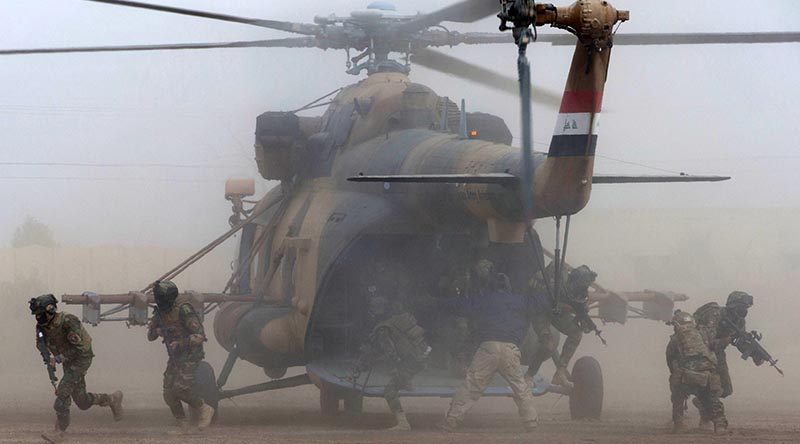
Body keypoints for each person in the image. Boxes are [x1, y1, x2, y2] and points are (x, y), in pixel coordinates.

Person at [437, 259, 537, 432]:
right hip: (511, 349)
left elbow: (459, 306)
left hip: (488, 348)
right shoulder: (521, 300)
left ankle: (451, 421)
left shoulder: (484, 299)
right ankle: (531, 422)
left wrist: (436, 303)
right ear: (508, 286)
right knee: (520, 386)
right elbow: (542, 303)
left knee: (472, 385)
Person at [29, 294, 123, 443]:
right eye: (37, 315)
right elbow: (40, 342)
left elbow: (79, 349)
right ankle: (112, 399)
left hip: (81, 358)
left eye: (40, 314)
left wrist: (58, 359)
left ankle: (59, 431)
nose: (38, 318)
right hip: (68, 359)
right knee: (82, 401)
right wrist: (47, 357)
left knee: (62, 394)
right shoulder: (42, 326)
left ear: (50, 310)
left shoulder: (68, 321)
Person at [147, 280, 214, 434]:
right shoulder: (160, 312)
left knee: (181, 389)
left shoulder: (184, 310)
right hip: (175, 356)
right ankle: (183, 425)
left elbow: (200, 336)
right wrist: (157, 331)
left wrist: (181, 343)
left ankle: (204, 408)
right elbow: (150, 336)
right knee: (168, 393)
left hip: (191, 354)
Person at [357, 295, 429, 430]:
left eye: (373, 308)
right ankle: (406, 381)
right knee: (402, 376)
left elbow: (390, 353)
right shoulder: (400, 319)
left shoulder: (383, 328)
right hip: (421, 358)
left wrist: (370, 362)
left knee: (389, 391)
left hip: (410, 363)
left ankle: (403, 423)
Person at [693, 291, 758, 428]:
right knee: (713, 388)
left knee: (726, 389)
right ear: (732, 306)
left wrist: (754, 354)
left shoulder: (739, 321)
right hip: (701, 353)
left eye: (746, 308)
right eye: (741, 308)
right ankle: (711, 416)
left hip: (718, 353)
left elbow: (740, 341)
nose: (744, 311)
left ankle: (702, 402)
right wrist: (728, 340)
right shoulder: (715, 315)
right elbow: (707, 342)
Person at [525, 263, 598, 387]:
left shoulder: (579, 290)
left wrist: (582, 318)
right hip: (539, 310)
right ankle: (529, 375)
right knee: (548, 344)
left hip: (555, 311)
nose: (583, 289)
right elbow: (544, 300)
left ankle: (560, 372)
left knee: (576, 333)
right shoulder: (555, 283)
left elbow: (577, 305)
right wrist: (568, 308)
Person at [666, 310, 727, 434]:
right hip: (708, 377)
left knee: (677, 396)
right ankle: (719, 425)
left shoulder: (675, 340)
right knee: (712, 399)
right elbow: (716, 349)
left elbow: (670, 362)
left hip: (686, 377)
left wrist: (678, 376)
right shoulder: (704, 335)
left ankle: (679, 424)